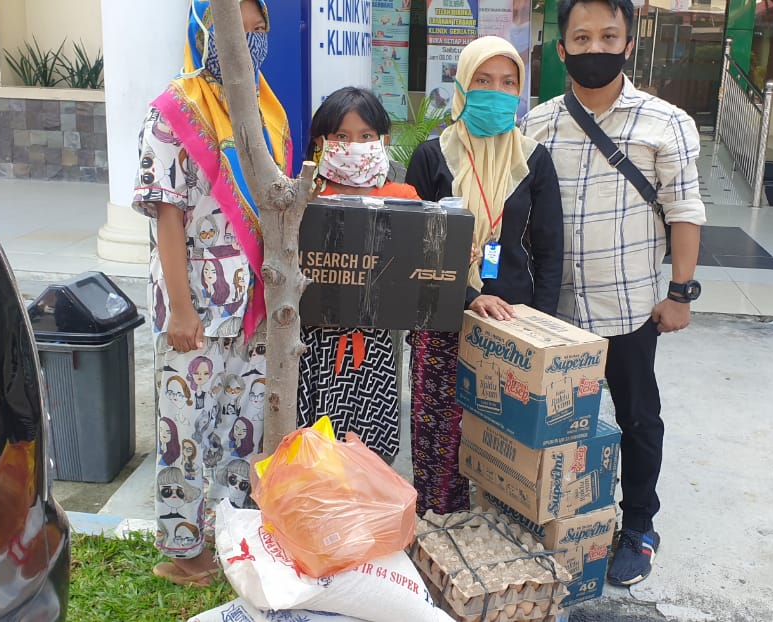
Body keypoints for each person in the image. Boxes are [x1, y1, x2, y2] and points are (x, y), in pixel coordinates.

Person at [523, 0, 705, 587]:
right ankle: (553, 519)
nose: (594, 48)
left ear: (628, 44)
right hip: (552, 315)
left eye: (608, 36)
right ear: (561, 49)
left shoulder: (665, 121)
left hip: (627, 309)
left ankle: (639, 527)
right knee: (553, 425)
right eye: (582, 37)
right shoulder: (537, 124)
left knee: (637, 419)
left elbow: (684, 210)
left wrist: (680, 292)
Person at [132, 0, 288, 587]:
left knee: (240, 428)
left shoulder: (267, 111)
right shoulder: (174, 110)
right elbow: (165, 215)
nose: (242, 42)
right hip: (193, 306)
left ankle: (231, 538)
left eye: (255, 32)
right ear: (203, 31)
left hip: (253, 307)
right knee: (185, 431)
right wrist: (179, 307)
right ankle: (185, 552)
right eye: (228, 29)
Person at [405, 36, 563, 515]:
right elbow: (413, 244)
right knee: (441, 432)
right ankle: (441, 524)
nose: (497, 90)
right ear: (462, 85)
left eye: (508, 82)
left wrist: (545, 331)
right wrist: (469, 293)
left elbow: (550, 248)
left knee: (508, 437)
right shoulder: (433, 156)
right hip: (442, 318)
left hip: (513, 320)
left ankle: (501, 531)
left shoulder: (533, 158)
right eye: (484, 80)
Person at [297, 87, 420, 461]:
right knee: (315, 446)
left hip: (377, 348)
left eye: (366, 136)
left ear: (383, 140)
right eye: (342, 136)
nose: (355, 145)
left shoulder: (405, 198)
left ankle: (366, 513)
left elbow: (418, 273)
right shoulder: (304, 196)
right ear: (321, 142)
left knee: (370, 451)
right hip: (315, 346)